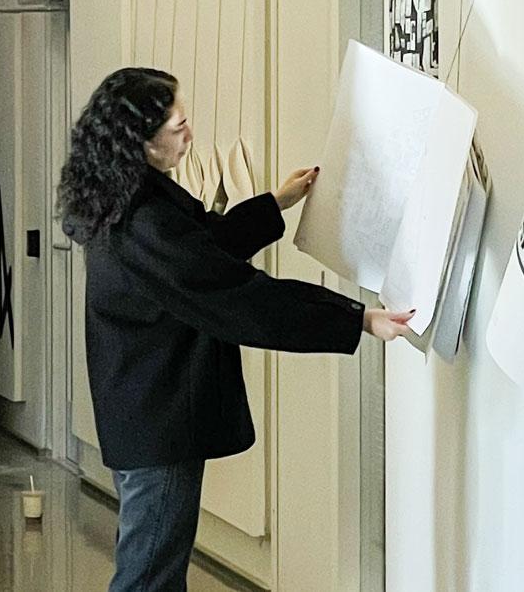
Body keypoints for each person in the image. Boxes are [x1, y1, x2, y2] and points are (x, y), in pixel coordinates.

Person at [56, 67, 411, 591]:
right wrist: (356, 319)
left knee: (152, 572)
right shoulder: (145, 222)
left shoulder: (125, 202)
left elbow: (203, 249)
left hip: (142, 414)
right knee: (148, 579)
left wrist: (277, 204)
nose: (190, 135)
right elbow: (240, 297)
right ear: (143, 140)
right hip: (160, 423)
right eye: (178, 126)